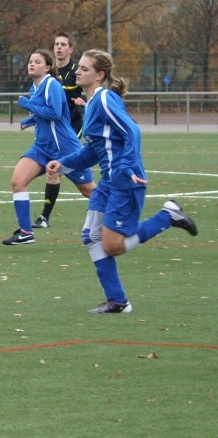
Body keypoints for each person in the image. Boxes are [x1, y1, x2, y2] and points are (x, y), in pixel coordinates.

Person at [46, 49, 198, 314]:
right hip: (108, 183)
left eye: (84, 68)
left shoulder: (104, 99)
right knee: (91, 237)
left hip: (125, 182)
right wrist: (65, 164)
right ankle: (117, 301)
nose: (78, 71)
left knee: (113, 246)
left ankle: (167, 217)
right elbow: (93, 150)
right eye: (78, 67)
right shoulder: (91, 102)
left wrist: (126, 166)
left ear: (100, 75)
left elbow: (132, 131)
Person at [2, 49, 95, 245]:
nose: (31, 64)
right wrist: (29, 121)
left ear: (47, 67)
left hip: (65, 148)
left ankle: (121, 216)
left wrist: (27, 105)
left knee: (89, 191)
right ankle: (26, 231)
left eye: (37, 61)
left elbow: (54, 113)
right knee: (18, 181)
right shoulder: (33, 88)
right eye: (30, 61)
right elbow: (41, 114)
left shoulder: (52, 84)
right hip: (42, 147)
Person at [33, 32, 86, 229]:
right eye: (56, 44)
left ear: (71, 49)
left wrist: (84, 101)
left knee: (60, 174)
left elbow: (92, 91)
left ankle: (109, 203)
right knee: (53, 172)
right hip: (54, 132)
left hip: (72, 130)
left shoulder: (77, 71)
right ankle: (44, 218)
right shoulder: (49, 73)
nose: (59, 48)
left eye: (64, 44)